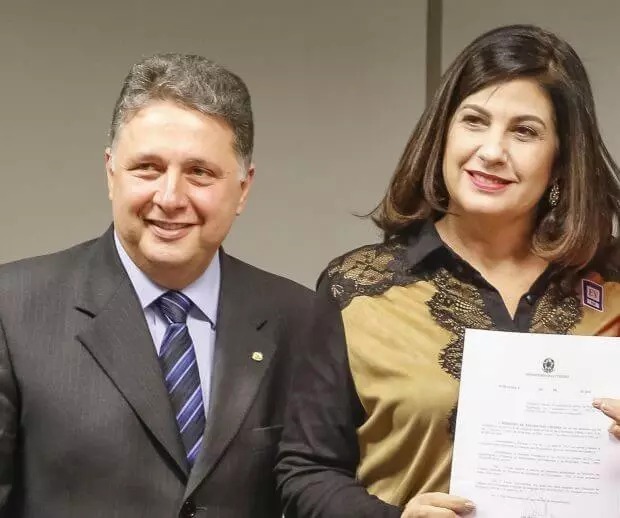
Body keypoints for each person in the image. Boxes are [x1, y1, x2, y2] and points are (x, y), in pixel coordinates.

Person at [276, 24, 620, 518]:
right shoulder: (357, 289)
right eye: (474, 121)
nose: (492, 151)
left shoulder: (612, 285)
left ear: (562, 158)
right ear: (443, 134)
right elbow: (306, 473)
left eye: (524, 131)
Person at [0, 53, 314, 518]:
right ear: (111, 173)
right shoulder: (12, 310)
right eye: (147, 167)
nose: (170, 198)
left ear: (243, 189)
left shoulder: (300, 320)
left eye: (200, 172)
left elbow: (318, 483)